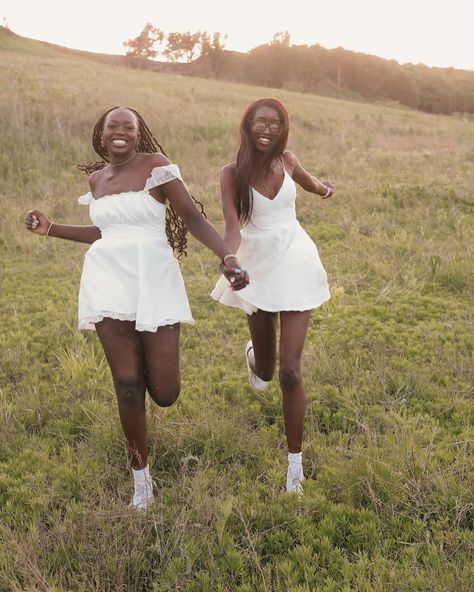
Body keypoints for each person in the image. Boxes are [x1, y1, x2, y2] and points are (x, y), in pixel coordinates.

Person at [25, 106, 248, 510]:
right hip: (107, 279)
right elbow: (107, 232)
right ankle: (141, 482)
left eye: (129, 126)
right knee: (127, 384)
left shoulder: (156, 167)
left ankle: (148, 366)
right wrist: (52, 229)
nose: (121, 132)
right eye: (114, 126)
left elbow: (193, 219)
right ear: (101, 134)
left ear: (139, 132)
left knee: (164, 392)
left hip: (153, 277)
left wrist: (226, 257)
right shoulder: (97, 180)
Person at [211, 98, 335, 493]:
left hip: (296, 258)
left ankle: (294, 470)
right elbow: (232, 226)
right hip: (256, 264)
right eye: (260, 122)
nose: (267, 129)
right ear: (247, 126)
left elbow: (311, 183)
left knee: (289, 370)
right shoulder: (232, 173)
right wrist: (228, 257)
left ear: (283, 129)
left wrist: (325, 190)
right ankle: (251, 356)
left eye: (275, 124)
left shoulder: (288, 161)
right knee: (265, 370)